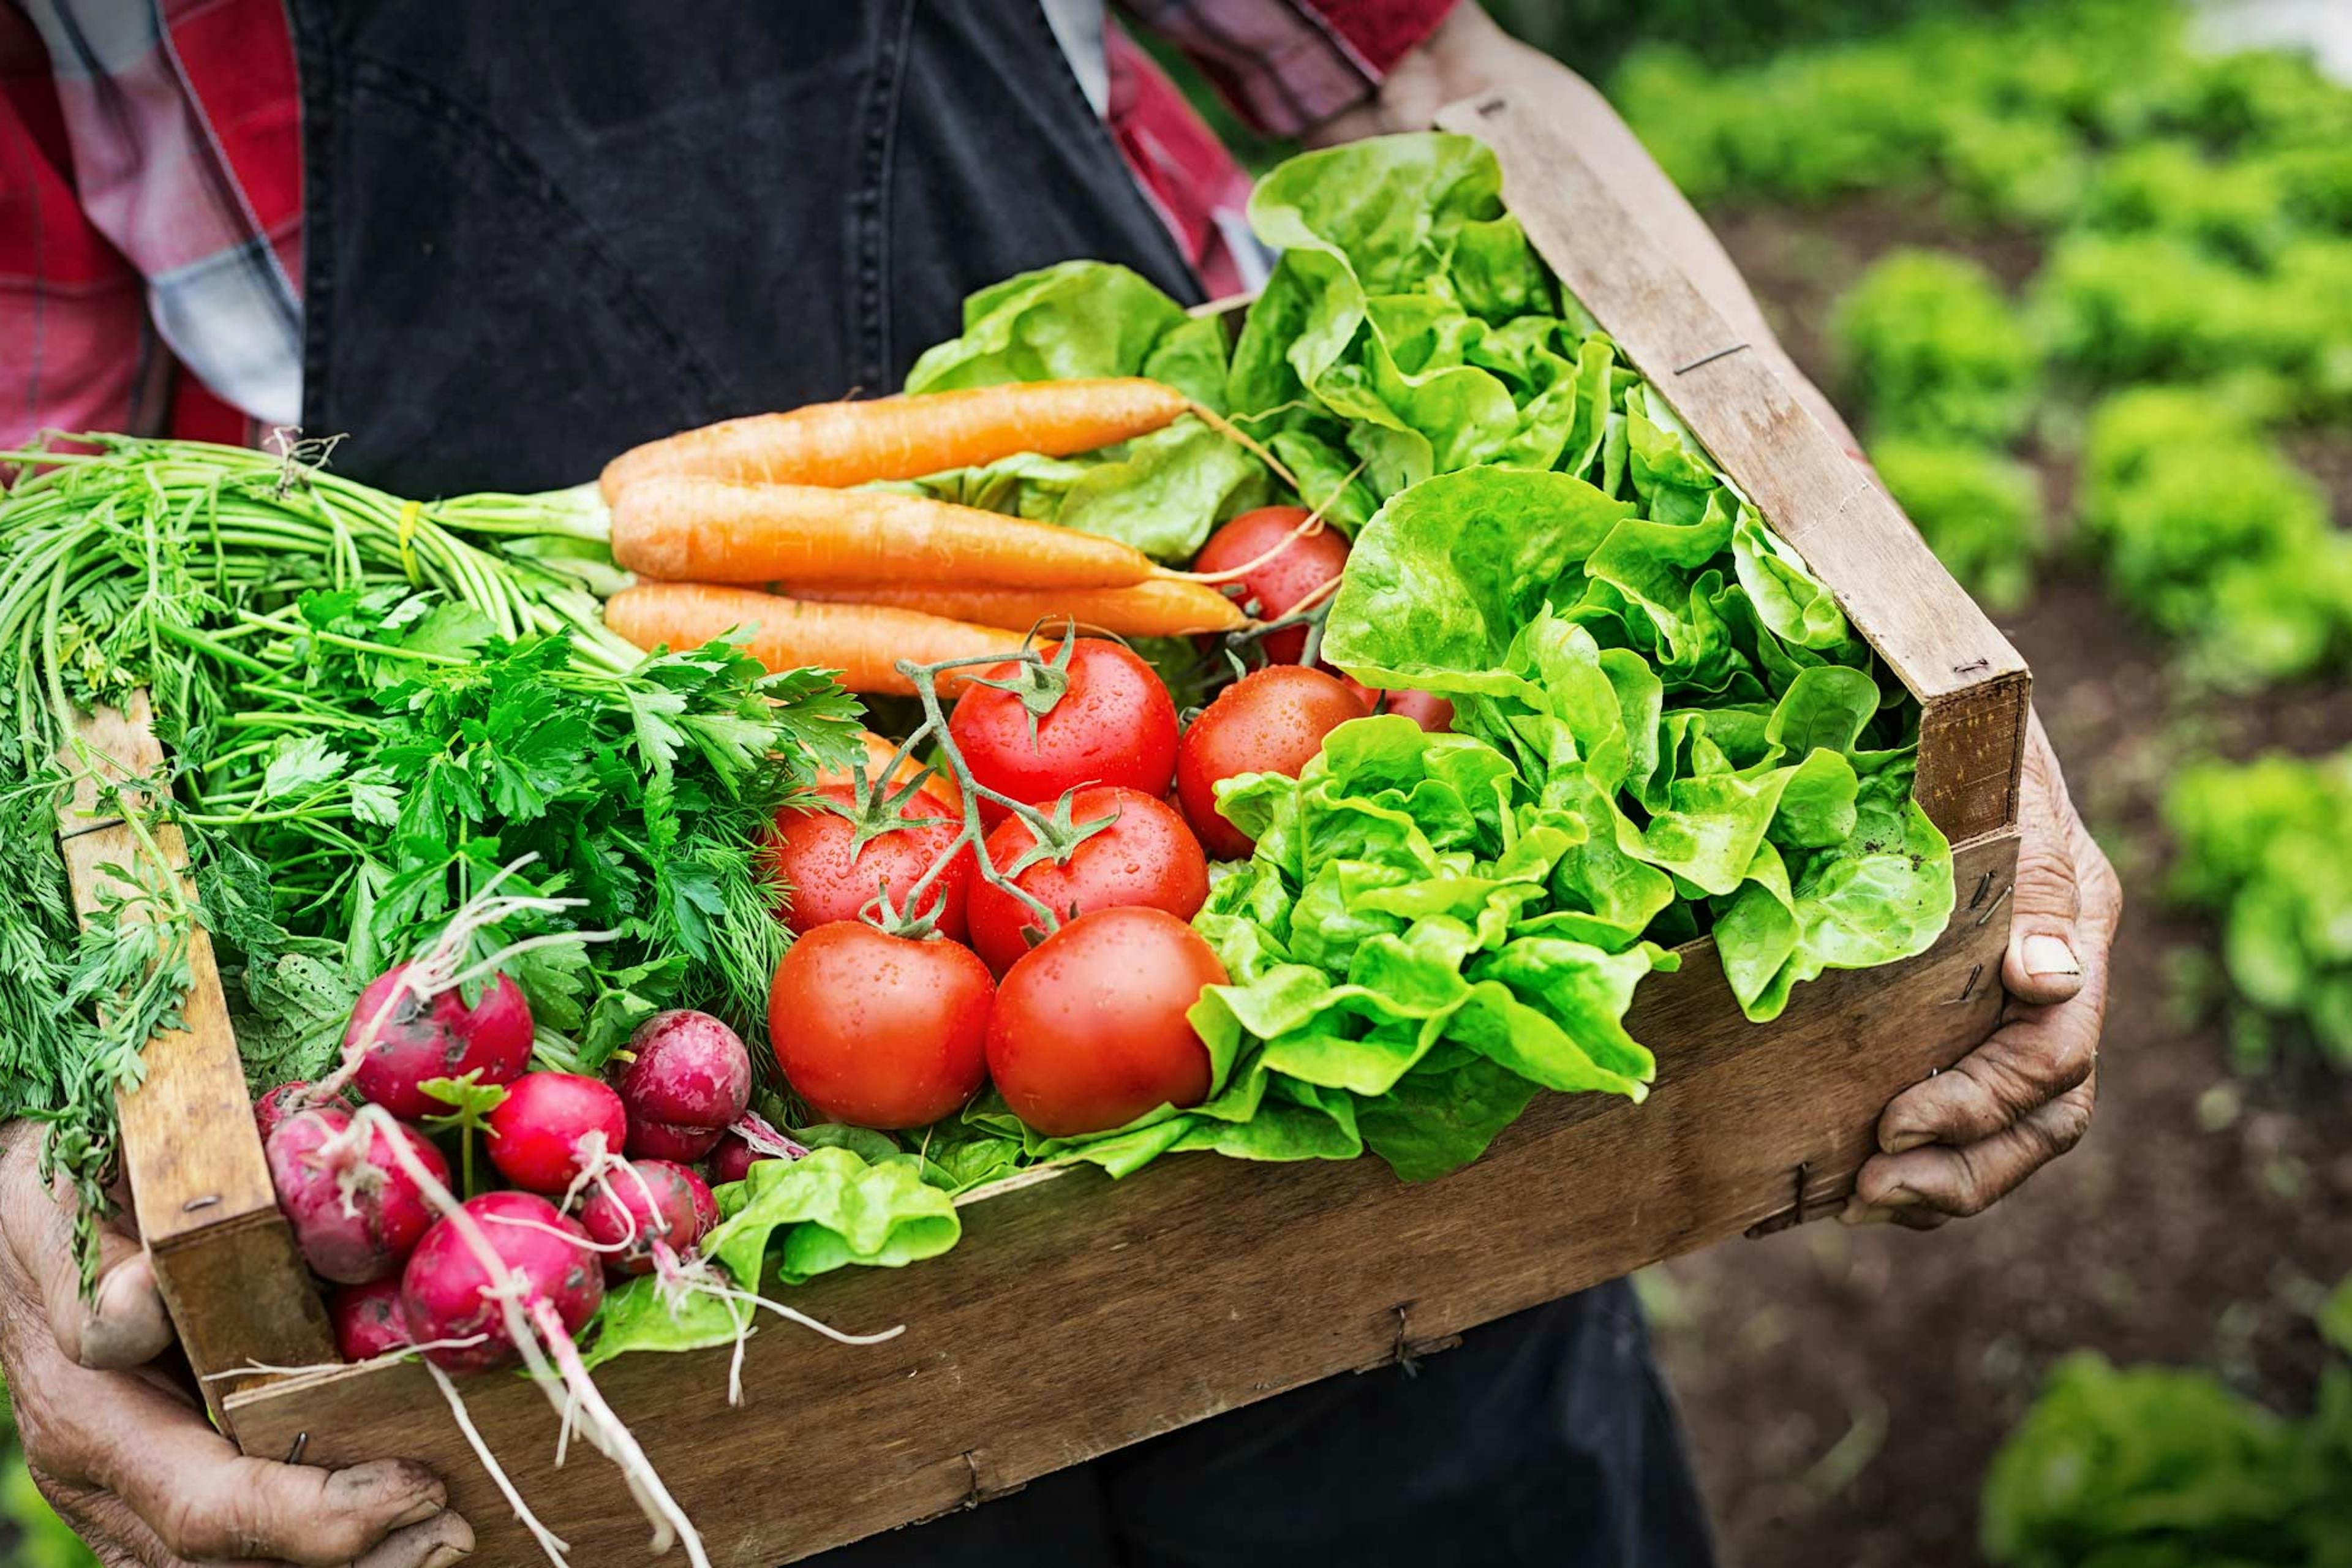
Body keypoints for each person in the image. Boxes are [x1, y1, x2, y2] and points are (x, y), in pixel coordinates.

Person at [0, 4, 2120, 1565]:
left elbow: (1432, 88)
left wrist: (1877, 598)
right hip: (534, 991)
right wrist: (32, 1157)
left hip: (1286, 882)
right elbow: (33, 528)